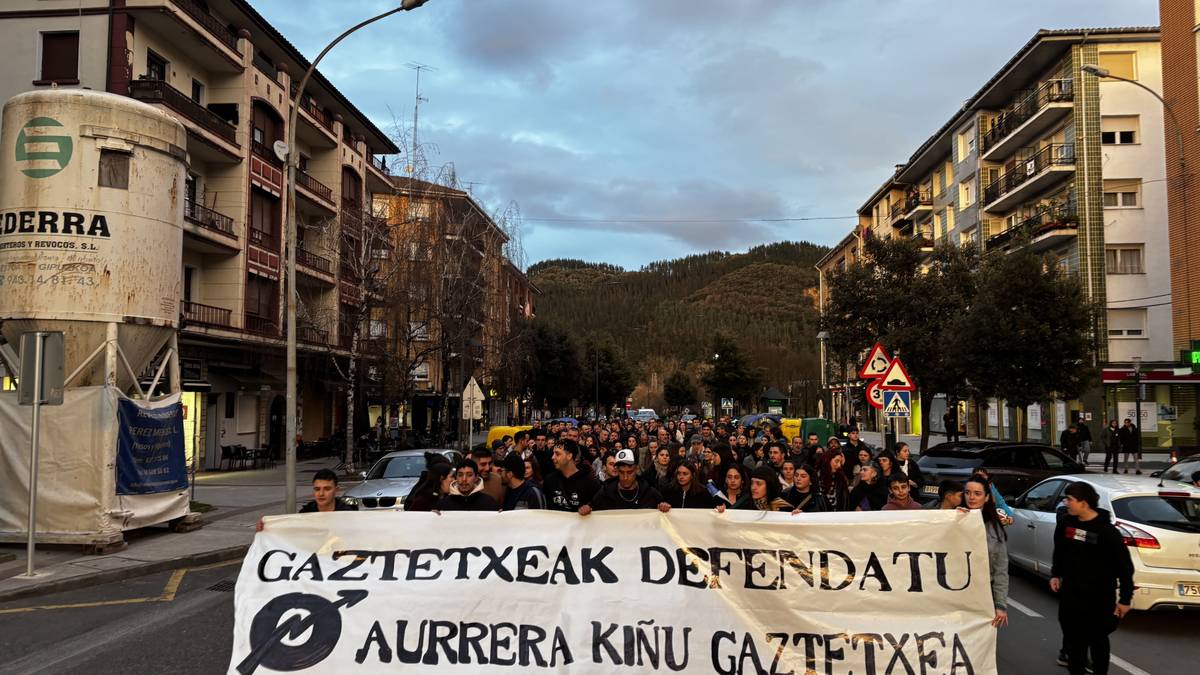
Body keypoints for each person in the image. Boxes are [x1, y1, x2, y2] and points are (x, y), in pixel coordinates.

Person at [1050, 482, 1134, 675]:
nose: (1066, 503)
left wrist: (1125, 599)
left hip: (1099, 598)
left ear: (1084, 503)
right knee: (1074, 643)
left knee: (1098, 641)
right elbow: (1060, 551)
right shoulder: (1066, 524)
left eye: (1070, 499)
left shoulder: (1107, 532)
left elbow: (1125, 567)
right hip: (1071, 594)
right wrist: (1056, 574)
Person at [963, 475, 1009, 630]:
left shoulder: (995, 528)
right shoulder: (952, 518)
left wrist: (1000, 605)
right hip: (956, 591)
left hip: (984, 592)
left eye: (977, 493)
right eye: (967, 492)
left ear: (987, 497)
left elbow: (1000, 569)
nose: (971, 497)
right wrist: (952, 520)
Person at [590, 449, 667, 511]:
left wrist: (664, 507)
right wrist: (586, 509)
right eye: (621, 472)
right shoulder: (605, 492)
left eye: (630, 472)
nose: (625, 477)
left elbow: (666, 512)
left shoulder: (650, 493)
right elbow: (590, 507)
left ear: (636, 469)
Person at [543, 440, 603, 514]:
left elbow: (600, 509)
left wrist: (590, 508)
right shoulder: (549, 480)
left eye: (557, 454)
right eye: (553, 454)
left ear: (569, 456)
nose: (552, 457)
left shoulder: (590, 483)